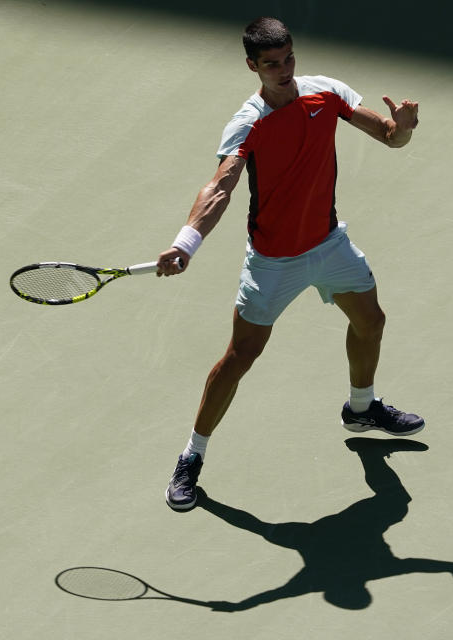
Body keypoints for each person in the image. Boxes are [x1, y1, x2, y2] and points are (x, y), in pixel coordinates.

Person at [156, 17, 423, 512]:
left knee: (371, 322)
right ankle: (191, 456)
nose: (284, 70)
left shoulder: (327, 93)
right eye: (272, 64)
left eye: (289, 59)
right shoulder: (249, 122)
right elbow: (220, 187)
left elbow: (388, 137)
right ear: (252, 66)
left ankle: (361, 409)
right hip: (273, 262)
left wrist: (402, 129)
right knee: (240, 357)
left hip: (328, 244)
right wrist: (186, 242)